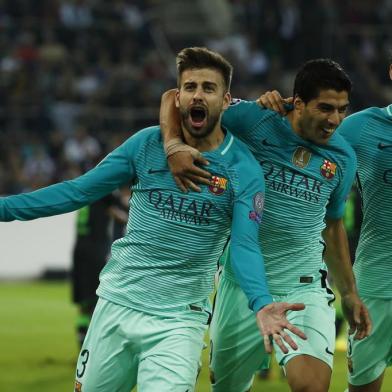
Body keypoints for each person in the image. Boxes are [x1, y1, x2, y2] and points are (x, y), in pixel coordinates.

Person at [0, 47, 306, 392]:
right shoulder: (146, 145)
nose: (198, 94)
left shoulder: (244, 170)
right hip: (118, 302)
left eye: (209, 87)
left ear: (226, 100)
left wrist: (261, 304)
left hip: (179, 320)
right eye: (190, 87)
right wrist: (5, 209)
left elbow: (245, 246)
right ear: (178, 98)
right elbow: (76, 192)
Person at [160, 58, 371, 392]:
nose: (335, 120)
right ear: (297, 102)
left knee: (311, 386)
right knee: (226, 387)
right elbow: (175, 99)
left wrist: (349, 292)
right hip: (240, 286)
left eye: (342, 110)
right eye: (325, 108)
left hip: (303, 285)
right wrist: (174, 147)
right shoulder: (254, 119)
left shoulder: (343, 157)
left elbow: (331, 227)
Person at [72, 190, 128, 348]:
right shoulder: (105, 195)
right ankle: (96, 345)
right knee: (99, 300)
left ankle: (82, 343)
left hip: (79, 251)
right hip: (95, 252)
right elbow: (121, 213)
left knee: (83, 303)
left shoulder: (86, 194)